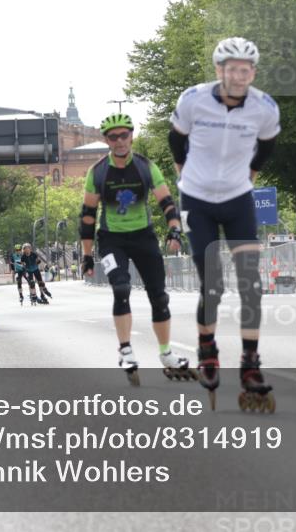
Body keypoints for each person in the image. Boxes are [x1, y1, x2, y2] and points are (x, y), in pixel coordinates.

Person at [168, 36, 279, 412]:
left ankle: (250, 364)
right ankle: (207, 350)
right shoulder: (193, 99)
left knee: (251, 283)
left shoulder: (264, 108)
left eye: (245, 69)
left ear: (253, 72)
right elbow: (176, 138)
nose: (238, 75)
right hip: (196, 200)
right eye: (231, 69)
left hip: (237, 199)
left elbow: (268, 144)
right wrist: (183, 171)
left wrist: (251, 172)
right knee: (212, 281)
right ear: (219, 70)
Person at [80, 112, 194, 386]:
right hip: (111, 239)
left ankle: (166, 354)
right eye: (113, 137)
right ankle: (126, 350)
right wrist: (86, 255)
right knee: (121, 288)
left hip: (143, 236)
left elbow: (166, 201)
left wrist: (174, 229)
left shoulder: (145, 167)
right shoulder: (97, 172)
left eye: (124, 135)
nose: (119, 141)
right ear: (106, 140)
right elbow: (87, 216)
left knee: (159, 296)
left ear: (132, 135)